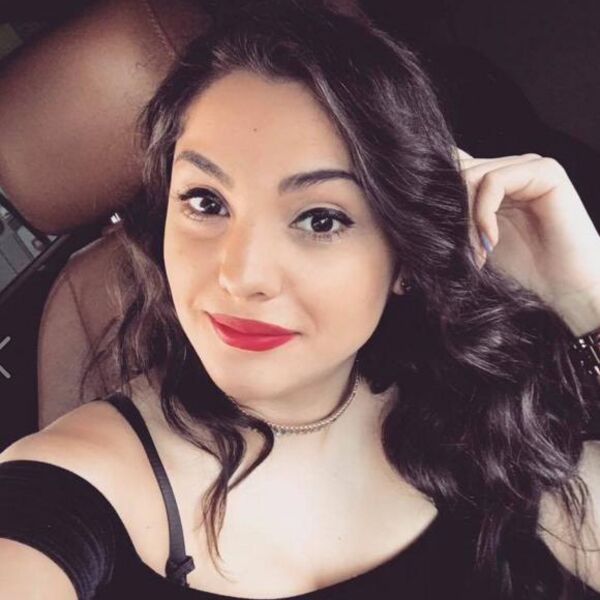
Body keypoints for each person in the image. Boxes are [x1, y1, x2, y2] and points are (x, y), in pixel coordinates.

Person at [1, 1, 600, 598]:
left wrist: (585, 298)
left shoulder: (485, 420)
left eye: (320, 219)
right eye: (206, 202)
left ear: (404, 256)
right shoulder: (75, 480)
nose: (242, 276)